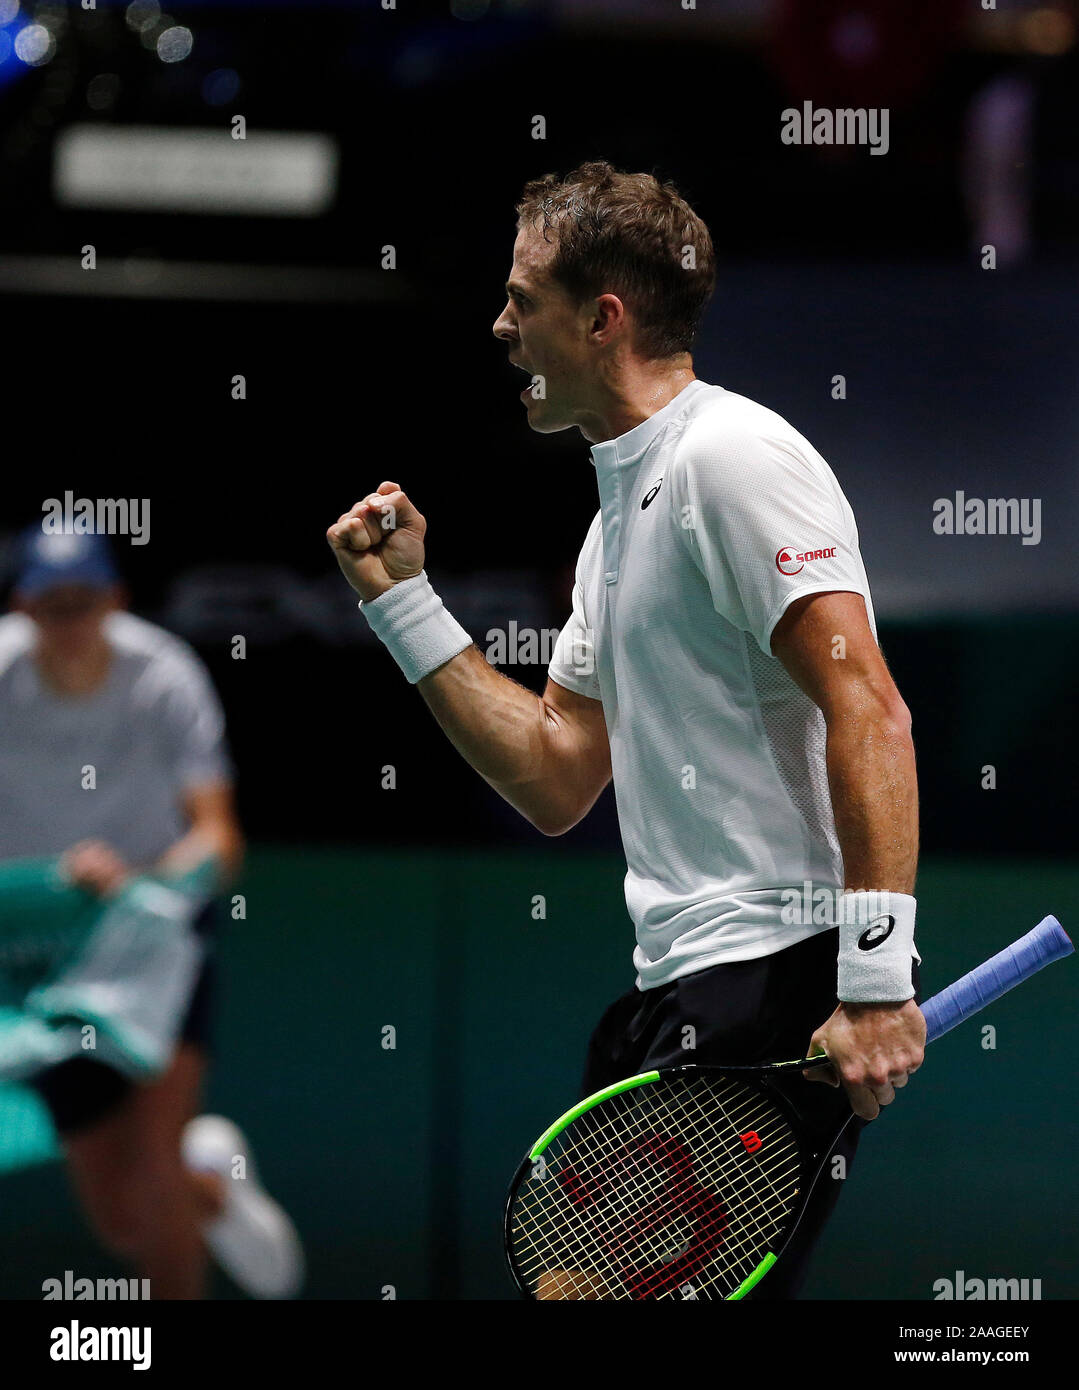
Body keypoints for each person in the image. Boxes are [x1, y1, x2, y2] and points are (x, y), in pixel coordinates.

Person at [326, 160, 924, 1299]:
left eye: (522, 301)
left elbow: (869, 708)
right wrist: (402, 604)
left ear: (601, 319)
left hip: (771, 975)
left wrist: (872, 980)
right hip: (683, 982)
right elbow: (554, 776)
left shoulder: (731, 459)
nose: (500, 327)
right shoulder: (613, 525)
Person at [0, 526, 303, 1299]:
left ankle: (182, 1173)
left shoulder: (164, 675)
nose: (69, 620)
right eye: (51, 603)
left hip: (151, 940)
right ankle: (213, 1185)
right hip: (35, 952)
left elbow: (217, 841)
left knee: (155, 1164)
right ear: (23, 606)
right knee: (126, 1222)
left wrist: (135, 885)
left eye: (84, 601)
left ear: (116, 600)